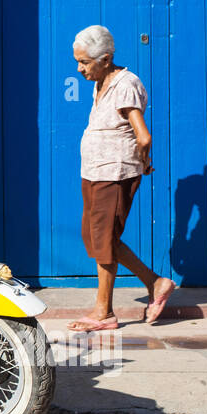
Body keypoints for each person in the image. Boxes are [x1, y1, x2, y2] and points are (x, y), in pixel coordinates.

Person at [68, 25, 175, 331]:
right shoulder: (102, 82)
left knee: (103, 239)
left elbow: (143, 135)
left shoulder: (126, 84)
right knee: (96, 238)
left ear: (106, 59)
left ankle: (104, 312)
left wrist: (143, 161)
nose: (79, 68)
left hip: (114, 172)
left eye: (85, 62)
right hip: (94, 171)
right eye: (78, 61)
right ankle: (155, 283)